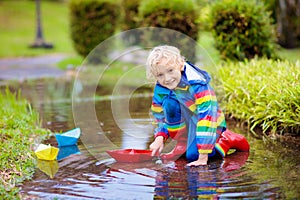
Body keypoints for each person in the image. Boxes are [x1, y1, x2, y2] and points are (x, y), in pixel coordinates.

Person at [146, 45, 249, 166]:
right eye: (160, 75)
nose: (167, 78)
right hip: (188, 122)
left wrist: (203, 156)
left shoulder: (198, 84)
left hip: (208, 122)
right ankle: (183, 143)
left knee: (193, 155)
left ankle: (226, 138)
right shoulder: (162, 87)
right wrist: (160, 138)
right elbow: (160, 115)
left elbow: (207, 117)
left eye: (170, 71)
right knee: (169, 103)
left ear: (180, 65)